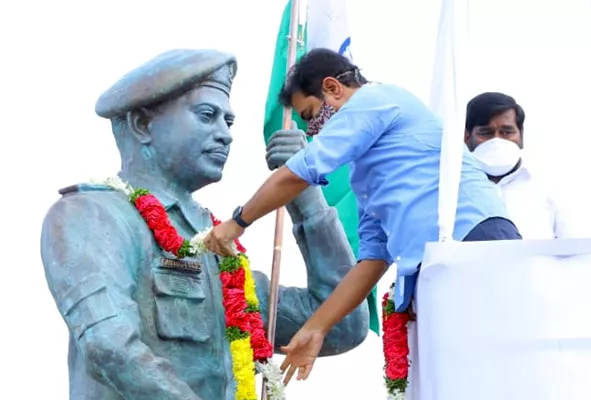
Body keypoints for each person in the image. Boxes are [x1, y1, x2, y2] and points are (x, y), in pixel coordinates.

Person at [39, 48, 368, 399]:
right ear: (142, 125)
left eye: (228, 122)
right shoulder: (92, 213)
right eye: (207, 115)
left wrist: (302, 192)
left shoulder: (220, 251)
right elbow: (110, 346)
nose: (225, 135)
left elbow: (344, 326)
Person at [203, 48, 522, 383]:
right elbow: (373, 258)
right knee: (466, 376)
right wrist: (316, 328)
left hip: (475, 239)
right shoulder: (366, 172)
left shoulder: (375, 100)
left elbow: (300, 172)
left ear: (333, 89)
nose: (312, 130)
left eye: (311, 115)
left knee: (497, 367)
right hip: (437, 264)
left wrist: (237, 223)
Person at [465, 92, 570, 239]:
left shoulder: (551, 186)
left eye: (507, 132)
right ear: (467, 137)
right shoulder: (450, 191)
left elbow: (574, 248)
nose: (497, 140)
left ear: (521, 136)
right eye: (486, 133)